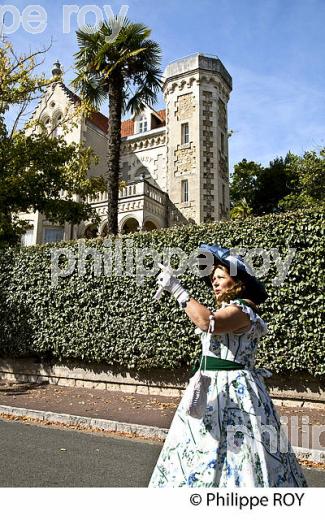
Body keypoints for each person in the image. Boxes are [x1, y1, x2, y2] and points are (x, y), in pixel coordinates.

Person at [148, 244, 308, 488]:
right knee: (198, 447)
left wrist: (179, 291)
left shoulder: (244, 310)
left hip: (235, 392)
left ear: (237, 282)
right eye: (213, 278)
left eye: (221, 277)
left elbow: (208, 322)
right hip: (210, 389)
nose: (214, 282)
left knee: (239, 454)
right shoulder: (229, 309)